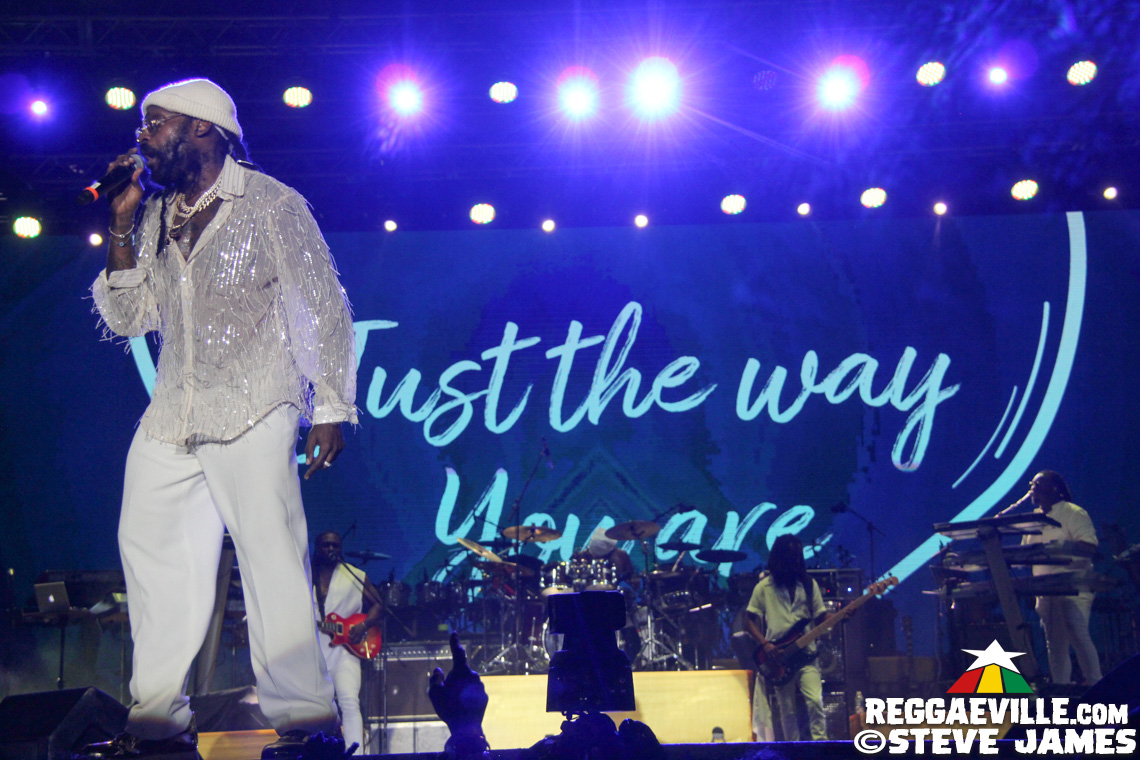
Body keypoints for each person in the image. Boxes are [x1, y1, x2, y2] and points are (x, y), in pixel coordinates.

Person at [87, 78, 357, 760]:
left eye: (156, 124)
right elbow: (128, 317)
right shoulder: (152, 215)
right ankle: (156, 720)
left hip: (255, 404)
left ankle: (303, 717)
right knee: (149, 553)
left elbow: (321, 305)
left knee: (269, 556)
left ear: (203, 129)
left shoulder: (271, 204)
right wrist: (119, 225)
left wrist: (329, 405)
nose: (142, 136)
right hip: (174, 411)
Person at [1021, 470, 1102, 686]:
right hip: (1046, 593)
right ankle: (1061, 692)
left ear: (1054, 489)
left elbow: (1089, 545)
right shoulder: (1033, 520)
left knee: (1077, 634)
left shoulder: (1073, 513)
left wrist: (1060, 548)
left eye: (1038, 484)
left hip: (1074, 588)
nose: (1032, 488)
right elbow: (1023, 555)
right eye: (1032, 484)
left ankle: (1097, 686)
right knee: (1054, 644)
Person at [744, 535, 828, 741]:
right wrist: (764, 643)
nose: (794, 561)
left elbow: (821, 617)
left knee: (815, 702)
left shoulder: (809, 585)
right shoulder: (764, 587)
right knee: (787, 711)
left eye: (797, 556)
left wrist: (843, 615)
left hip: (807, 654)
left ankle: (822, 748)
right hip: (778, 656)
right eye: (790, 556)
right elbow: (748, 619)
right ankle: (794, 750)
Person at [312, 532, 383, 755]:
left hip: (346, 651)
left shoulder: (355, 575)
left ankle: (356, 753)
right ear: (318, 547)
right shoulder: (305, 575)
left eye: (335, 545)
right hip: (313, 649)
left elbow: (379, 605)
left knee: (350, 702)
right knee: (316, 707)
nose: (330, 548)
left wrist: (363, 626)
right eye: (326, 545)